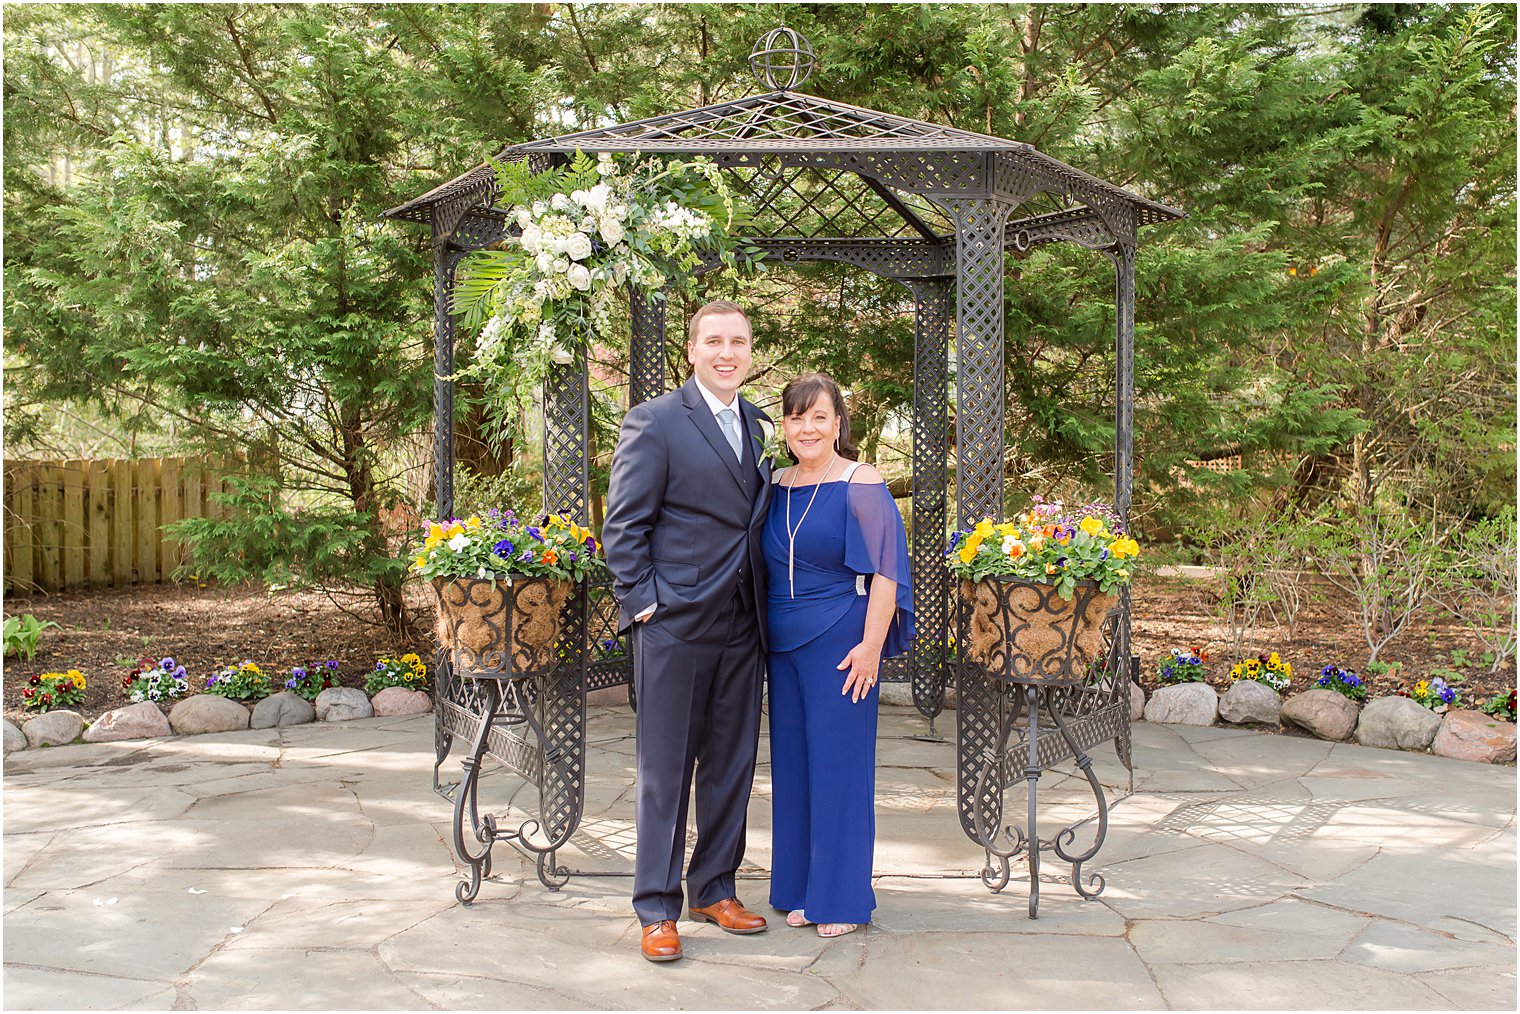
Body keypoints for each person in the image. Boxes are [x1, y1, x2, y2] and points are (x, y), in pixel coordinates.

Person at [602, 300, 773, 963]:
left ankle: (714, 887)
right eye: (714, 341)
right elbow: (624, 525)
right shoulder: (657, 421)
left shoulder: (758, 426)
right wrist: (644, 602)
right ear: (692, 350)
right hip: (674, 623)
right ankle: (656, 907)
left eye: (738, 341)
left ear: (749, 352)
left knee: (730, 765)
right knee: (664, 772)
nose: (727, 352)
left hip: (743, 622)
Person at [763, 372, 913, 938]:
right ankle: (801, 889)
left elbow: (886, 570)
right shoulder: (774, 484)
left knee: (840, 769)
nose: (808, 427)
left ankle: (843, 897)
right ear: (785, 425)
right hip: (782, 645)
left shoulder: (861, 481)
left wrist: (872, 647)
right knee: (794, 769)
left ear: (838, 424)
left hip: (842, 640)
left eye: (819, 416)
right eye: (797, 417)